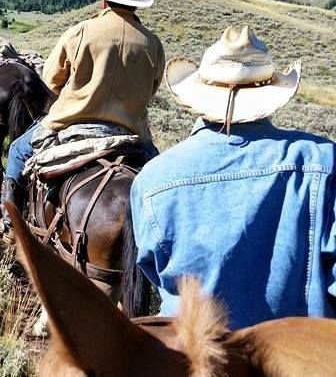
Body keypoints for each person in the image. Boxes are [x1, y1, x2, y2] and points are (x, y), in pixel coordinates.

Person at [131, 26, 335, 330]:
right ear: (272, 93)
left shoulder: (153, 179)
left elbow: (157, 274)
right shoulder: (324, 160)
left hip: (196, 358)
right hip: (300, 359)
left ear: (200, 91)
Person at [1, 0, 166, 207]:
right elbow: (151, 89)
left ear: (104, 1)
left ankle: (9, 215)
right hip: (131, 129)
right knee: (161, 180)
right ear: (135, 6)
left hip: (71, 121)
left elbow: (51, 79)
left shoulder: (82, 31)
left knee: (18, 151)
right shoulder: (153, 43)